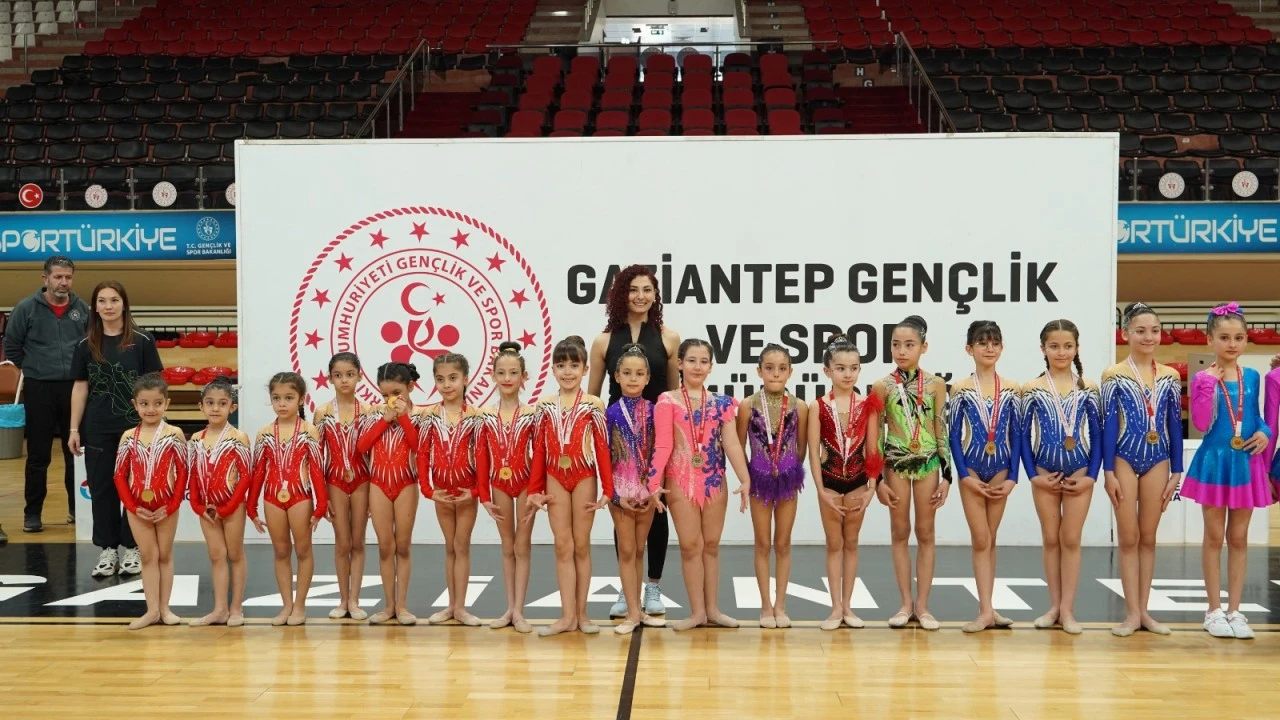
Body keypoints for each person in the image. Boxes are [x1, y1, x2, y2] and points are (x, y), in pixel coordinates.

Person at [587, 265, 680, 620]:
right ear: (621, 294)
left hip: (657, 437)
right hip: (619, 437)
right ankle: (627, 591)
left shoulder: (669, 338)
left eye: (647, 290)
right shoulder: (603, 341)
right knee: (623, 510)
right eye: (633, 289)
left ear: (655, 296)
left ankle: (653, 586)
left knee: (657, 507)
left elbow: (673, 395)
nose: (640, 296)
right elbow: (593, 398)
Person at [647, 338, 751, 631]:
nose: (697, 366)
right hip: (680, 480)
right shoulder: (667, 401)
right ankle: (697, 612)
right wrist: (654, 483)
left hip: (714, 480)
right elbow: (663, 445)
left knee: (712, 546)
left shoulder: (722, 403)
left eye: (703, 361)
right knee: (691, 546)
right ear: (680, 364)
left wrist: (745, 478)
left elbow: (731, 443)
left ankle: (713, 610)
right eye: (691, 360)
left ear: (711, 367)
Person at [1181, 303, 1271, 640]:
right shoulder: (1203, 378)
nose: (1232, 344)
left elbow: (1257, 417)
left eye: (1238, 337)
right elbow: (1201, 422)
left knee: (1239, 538)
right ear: (1210, 340)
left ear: (1246, 340)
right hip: (1215, 462)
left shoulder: (1252, 377)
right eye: (1224, 337)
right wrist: (1206, 385)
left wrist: (1265, 432)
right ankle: (1213, 610)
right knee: (1214, 537)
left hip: (1245, 462)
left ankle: (1235, 610)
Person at [68, 280, 164, 578]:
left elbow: (155, 386)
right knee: (101, 489)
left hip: (137, 430)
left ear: (124, 304)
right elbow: (80, 388)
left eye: (114, 300)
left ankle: (133, 546)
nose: (108, 306)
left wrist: (156, 426)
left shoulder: (142, 340)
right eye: (102, 301)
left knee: (136, 489)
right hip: (98, 428)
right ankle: (108, 549)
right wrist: (73, 429)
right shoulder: (85, 345)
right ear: (95, 307)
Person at [1101, 302, 1183, 637]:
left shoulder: (1170, 376)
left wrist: (1177, 470)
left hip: (1158, 459)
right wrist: (1108, 471)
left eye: (1154, 331)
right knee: (1128, 537)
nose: (1148, 337)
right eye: (1140, 331)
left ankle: (1144, 612)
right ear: (1126, 334)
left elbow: (1174, 425)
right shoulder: (1114, 374)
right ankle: (1131, 614)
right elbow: (1108, 425)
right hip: (1123, 457)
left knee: (1148, 537)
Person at [1021, 319, 1101, 636]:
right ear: (1043, 349)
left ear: (1077, 348)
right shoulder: (1032, 389)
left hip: (1080, 468)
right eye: (1054, 346)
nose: (1061, 352)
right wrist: (1033, 475)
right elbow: (1023, 437)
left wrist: (1091, 476)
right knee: (1051, 539)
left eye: (1068, 346)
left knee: (1071, 539)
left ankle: (1068, 609)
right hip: (1044, 470)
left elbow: (1098, 435)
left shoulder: (1089, 388)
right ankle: (1053, 606)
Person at [528, 336, 613, 636]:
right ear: (552, 369)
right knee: (562, 544)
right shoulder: (543, 405)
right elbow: (539, 449)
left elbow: (602, 447)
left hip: (584, 476)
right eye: (561, 365)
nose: (567, 372)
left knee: (581, 544)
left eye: (574, 366)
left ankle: (582, 614)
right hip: (555, 476)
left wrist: (608, 489)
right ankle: (566, 616)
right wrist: (534, 489)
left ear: (585, 369)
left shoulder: (593, 404)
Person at [872, 315, 951, 631]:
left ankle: (924, 606)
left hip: (929, 463)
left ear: (923, 347)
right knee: (900, 531)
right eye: (896, 345)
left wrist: (947, 475)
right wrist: (877, 479)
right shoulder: (882, 386)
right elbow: (877, 435)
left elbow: (941, 428)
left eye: (909, 345)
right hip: (895, 465)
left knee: (926, 531)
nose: (902, 351)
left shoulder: (935, 385)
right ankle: (905, 603)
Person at [2, 255, 89, 533]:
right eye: (58, 277)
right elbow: (12, 346)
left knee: (75, 451)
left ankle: (77, 510)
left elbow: (90, 344)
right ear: (45, 278)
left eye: (68, 277)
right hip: (39, 388)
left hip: (74, 388)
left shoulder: (82, 309)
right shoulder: (26, 308)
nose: (64, 282)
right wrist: (33, 368)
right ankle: (32, 514)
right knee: (38, 455)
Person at [948, 321, 1020, 634]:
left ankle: (989, 608)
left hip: (1001, 467)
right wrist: (964, 475)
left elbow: (1017, 435)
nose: (989, 348)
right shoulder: (961, 388)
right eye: (982, 343)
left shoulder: (1013, 389)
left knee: (991, 539)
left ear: (1002, 348)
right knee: (981, 539)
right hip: (972, 467)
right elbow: (953, 435)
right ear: (969, 349)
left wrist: (1013, 477)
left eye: (994, 343)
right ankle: (985, 610)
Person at [807, 335, 882, 631]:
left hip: (858, 483)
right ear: (828, 371)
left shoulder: (868, 405)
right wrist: (820, 490)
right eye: (840, 368)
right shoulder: (818, 407)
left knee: (851, 543)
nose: (847, 374)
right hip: (829, 482)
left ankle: (848, 606)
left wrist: (872, 487)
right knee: (834, 544)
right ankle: (835, 608)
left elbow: (873, 449)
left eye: (853, 368)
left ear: (860, 369)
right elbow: (813, 452)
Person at [248, 372, 327, 626]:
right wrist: (251, 506)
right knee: (281, 551)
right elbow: (258, 472)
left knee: (303, 550)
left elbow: (316, 471)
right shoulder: (264, 433)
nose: (282, 404)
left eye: (289, 398)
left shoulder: (309, 431)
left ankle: (300, 605)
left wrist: (321, 505)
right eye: (277, 398)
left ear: (301, 399)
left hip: (300, 497)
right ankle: (287, 605)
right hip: (272, 498)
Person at [737, 343, 807, 629]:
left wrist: (789, 469)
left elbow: (801, 448)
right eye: (769, 368)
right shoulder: (748, 405)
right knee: (763, 542)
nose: (775, 374)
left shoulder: (800, 406)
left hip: (788, 480)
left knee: (783, 542)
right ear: (759, 371)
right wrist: (748, 476)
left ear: (790, 371)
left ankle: (781, 605)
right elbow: (738, 445)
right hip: (759, 481)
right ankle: (765, 605)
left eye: (781, 368)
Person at [112, 373, 187, 630]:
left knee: (164, 555)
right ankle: (152, 610)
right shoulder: (128, 436)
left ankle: (165, 608)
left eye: (157, 403)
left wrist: (173, 505)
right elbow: (119, 476)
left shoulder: (175, 434)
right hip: (138, 507)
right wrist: (133, 507)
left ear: (167, 403)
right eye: (144, 404)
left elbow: (183, 472)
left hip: (166, 506)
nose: (151, 409)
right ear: (135, 404)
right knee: (148, 556)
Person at [418, 353, 486, 627]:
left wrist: (477, 491)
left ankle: (461, 607)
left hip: (467, 491)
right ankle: (450, 606)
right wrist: (428, 490)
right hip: (442, 491)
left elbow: (482, 458)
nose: (446, 385)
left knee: (461, 545)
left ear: (466, 379)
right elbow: (423, 454)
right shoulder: (429, 416)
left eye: (453, 378)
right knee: (450, 546)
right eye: (440, 379)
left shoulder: (476, 417)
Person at [477, 342, 540, 633]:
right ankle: (509, 608)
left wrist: (536, 489)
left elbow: (539, 454)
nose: (507, 378)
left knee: (521, 545)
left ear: (524, 377)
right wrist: (483, 495)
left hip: (525, 482)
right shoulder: (485, 415)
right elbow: (481, 456)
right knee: (506, 546)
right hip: (498, 484)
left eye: (513, 372)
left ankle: (520, 611)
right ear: (492, 375)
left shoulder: (532, 413)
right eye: (501, 372)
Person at [606, 343, 667, 634]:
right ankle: (632, 613)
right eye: (627, 373)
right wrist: (614, 495)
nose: (633, 378)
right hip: (620, 491)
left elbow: (661, 452)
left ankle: (638, 610)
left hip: (646, 490)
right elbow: (604, 457)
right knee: (627, 550)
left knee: (640, 549)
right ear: (617, 376)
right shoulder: (609, 414)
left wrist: (653, 490)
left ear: (647, 378)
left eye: (639, 373)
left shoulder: (655, 411)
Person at [359, 362, 422, 625]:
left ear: (410, 387)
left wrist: (403, 417)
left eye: (397, 393)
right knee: (385, 547)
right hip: (378, 485)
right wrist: (385, 420)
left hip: (406, 483)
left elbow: (418, 447)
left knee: (403, 546)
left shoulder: (420, 415)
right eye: (385, 395)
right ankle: (388, 606)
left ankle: (403, 606)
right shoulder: (374, 414)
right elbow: (361, 446)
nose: (391, 400)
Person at [188, 376, 252, 628]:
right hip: (207, 509)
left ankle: (236, 608)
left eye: (222, 403)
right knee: (216, 555)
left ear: (232, 407)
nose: (215, 408)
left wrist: (229, 507)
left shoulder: (239, 437)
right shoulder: (196, 439)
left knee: (235, 554)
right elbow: (193, 475)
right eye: (210, 403)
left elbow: (245, 476)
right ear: (201, 406)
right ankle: (219, 609)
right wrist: (197, 506)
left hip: (232, 506)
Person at [313, 352, 372, 621]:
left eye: (349, 374)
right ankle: (342, 599)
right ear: (330, 379)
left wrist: (374, 495)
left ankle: (355, 600)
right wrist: (321, 497)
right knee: (342, 542)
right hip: (334, 481)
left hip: (362, 481)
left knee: (358, 541)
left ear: (360, 376)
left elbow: (373, 455)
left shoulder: (368, 412)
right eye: (338, 375)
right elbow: (317, 457)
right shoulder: (323, 412)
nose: (344, 380)